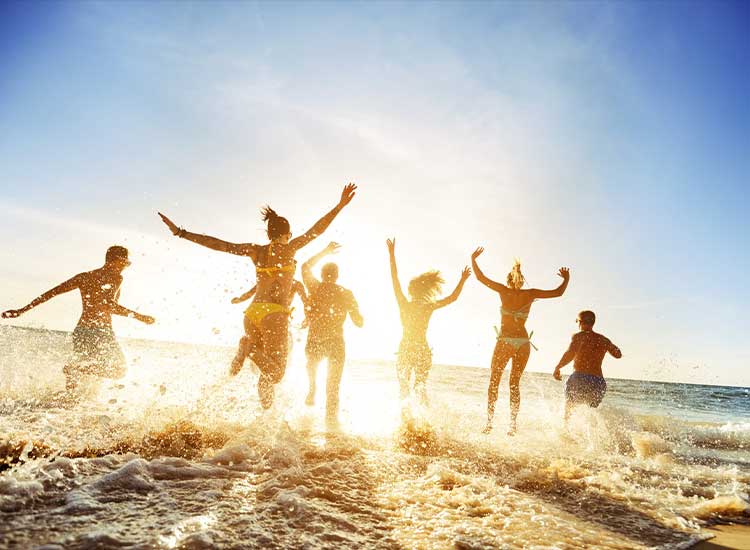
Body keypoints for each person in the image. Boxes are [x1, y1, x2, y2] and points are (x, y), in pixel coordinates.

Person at [158, 183, 357, 409]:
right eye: (290, 234)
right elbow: (317, 230)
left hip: (252, 314)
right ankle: (248, 348)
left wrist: (181, 233)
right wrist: (339, 206)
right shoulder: (290, 248)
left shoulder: (256, 250)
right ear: (286, 234)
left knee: (267, 370)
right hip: (274, 315)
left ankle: (263, 415)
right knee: (277, 373)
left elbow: (220, 245)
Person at [1, 246, 155, 391]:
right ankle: (72, 373)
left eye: (126, 264)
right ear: (112, 261)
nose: (124, 267)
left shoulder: (84, 277)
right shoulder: (116, 278)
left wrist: (23, 310)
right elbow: (108, 305)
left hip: (81, 331)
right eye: (123, 263)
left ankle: (68, 406)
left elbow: (52, 292)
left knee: (82, 375)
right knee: (119, 371)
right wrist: (140, 317)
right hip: (100, 332)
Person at [471, 247, 570, 435]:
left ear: (509, 280)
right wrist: (566, 279)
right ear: (522, 280)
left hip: (506, 341)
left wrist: (473, 259)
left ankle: (489, 424)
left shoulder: (503, 290)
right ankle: (512, 426)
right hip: (523, 343)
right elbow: (558, 292)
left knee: (494, 381)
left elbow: (480, 277)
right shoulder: (530, 293)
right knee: (514, 383)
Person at [387, 238, 471, 405]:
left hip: (405, 348)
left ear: (411, 291)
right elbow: (452, 298)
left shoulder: (404, 304)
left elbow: (394, 279)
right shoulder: (428, 307)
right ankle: (426, 424)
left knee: (404, 388)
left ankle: (406, 423)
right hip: (422, 349)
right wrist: (462, 279)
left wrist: (391, 254)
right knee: (420, 387)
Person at [301, 241, 363, 423]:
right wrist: (357, 314)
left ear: (321, 274)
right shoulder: (346, 293)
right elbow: (358, 322)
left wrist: (325, 251)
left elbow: (304, 266)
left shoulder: (315, 287)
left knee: (311, 364)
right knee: (333, 387)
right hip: (336, 342)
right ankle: (331, 427)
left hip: (315, 339)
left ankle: (312, 386)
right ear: (337, 276)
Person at [553, 310, 622, 423]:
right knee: (591, 414)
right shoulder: (603, 339)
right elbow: (618, 355)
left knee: (569, 410)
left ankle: (566, 434)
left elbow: (570, 352)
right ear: (593, 322)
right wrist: (608, 344)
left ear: (580, 322)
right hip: (598, 382)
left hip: (580, 378)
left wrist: (558, 367)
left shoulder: (578, 336)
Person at [229, 279, 308, 376]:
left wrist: (239, 299)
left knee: (257, 348)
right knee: (277, 359)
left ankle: (237, 365)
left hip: (252, 313)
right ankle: (251, 354)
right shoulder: (295, 283)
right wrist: (307, 317)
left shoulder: (265, 279)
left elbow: (250, 293)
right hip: (275, 318)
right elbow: (306, 303)